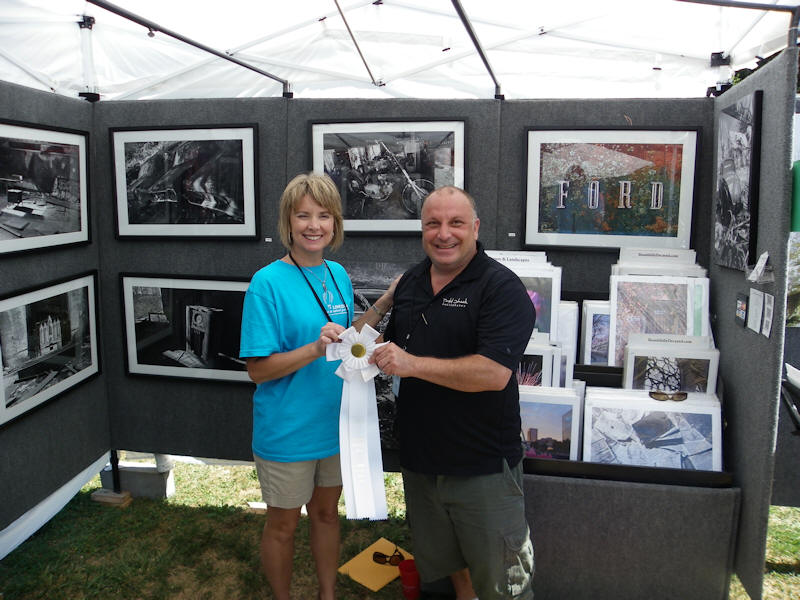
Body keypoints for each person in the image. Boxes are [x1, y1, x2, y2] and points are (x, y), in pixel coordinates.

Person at [370, 186, 536, 600]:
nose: (444, 234)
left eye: (456, 223)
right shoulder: (411, 282)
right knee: (447, 565)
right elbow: (375, 347)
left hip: (481, 465)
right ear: (422, 230)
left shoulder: (501, 288)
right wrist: (384, 302)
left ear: (475, 228)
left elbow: (493, 373)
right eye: (433, 224)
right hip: (422, 462)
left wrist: (411, 364)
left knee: (503, 584)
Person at [239, 172, 395, 600]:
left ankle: (328, 594)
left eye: (324, 215)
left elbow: (345, 340)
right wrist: (312, 348)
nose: (314, 225)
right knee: (283, 526)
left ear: (335, 223)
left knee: (326, 515)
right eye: (303, 215)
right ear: (288, 223)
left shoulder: (336, 273)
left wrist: (384, 303)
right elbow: (257, 370)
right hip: (288, 429)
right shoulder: (266, 283)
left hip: (334, 423)